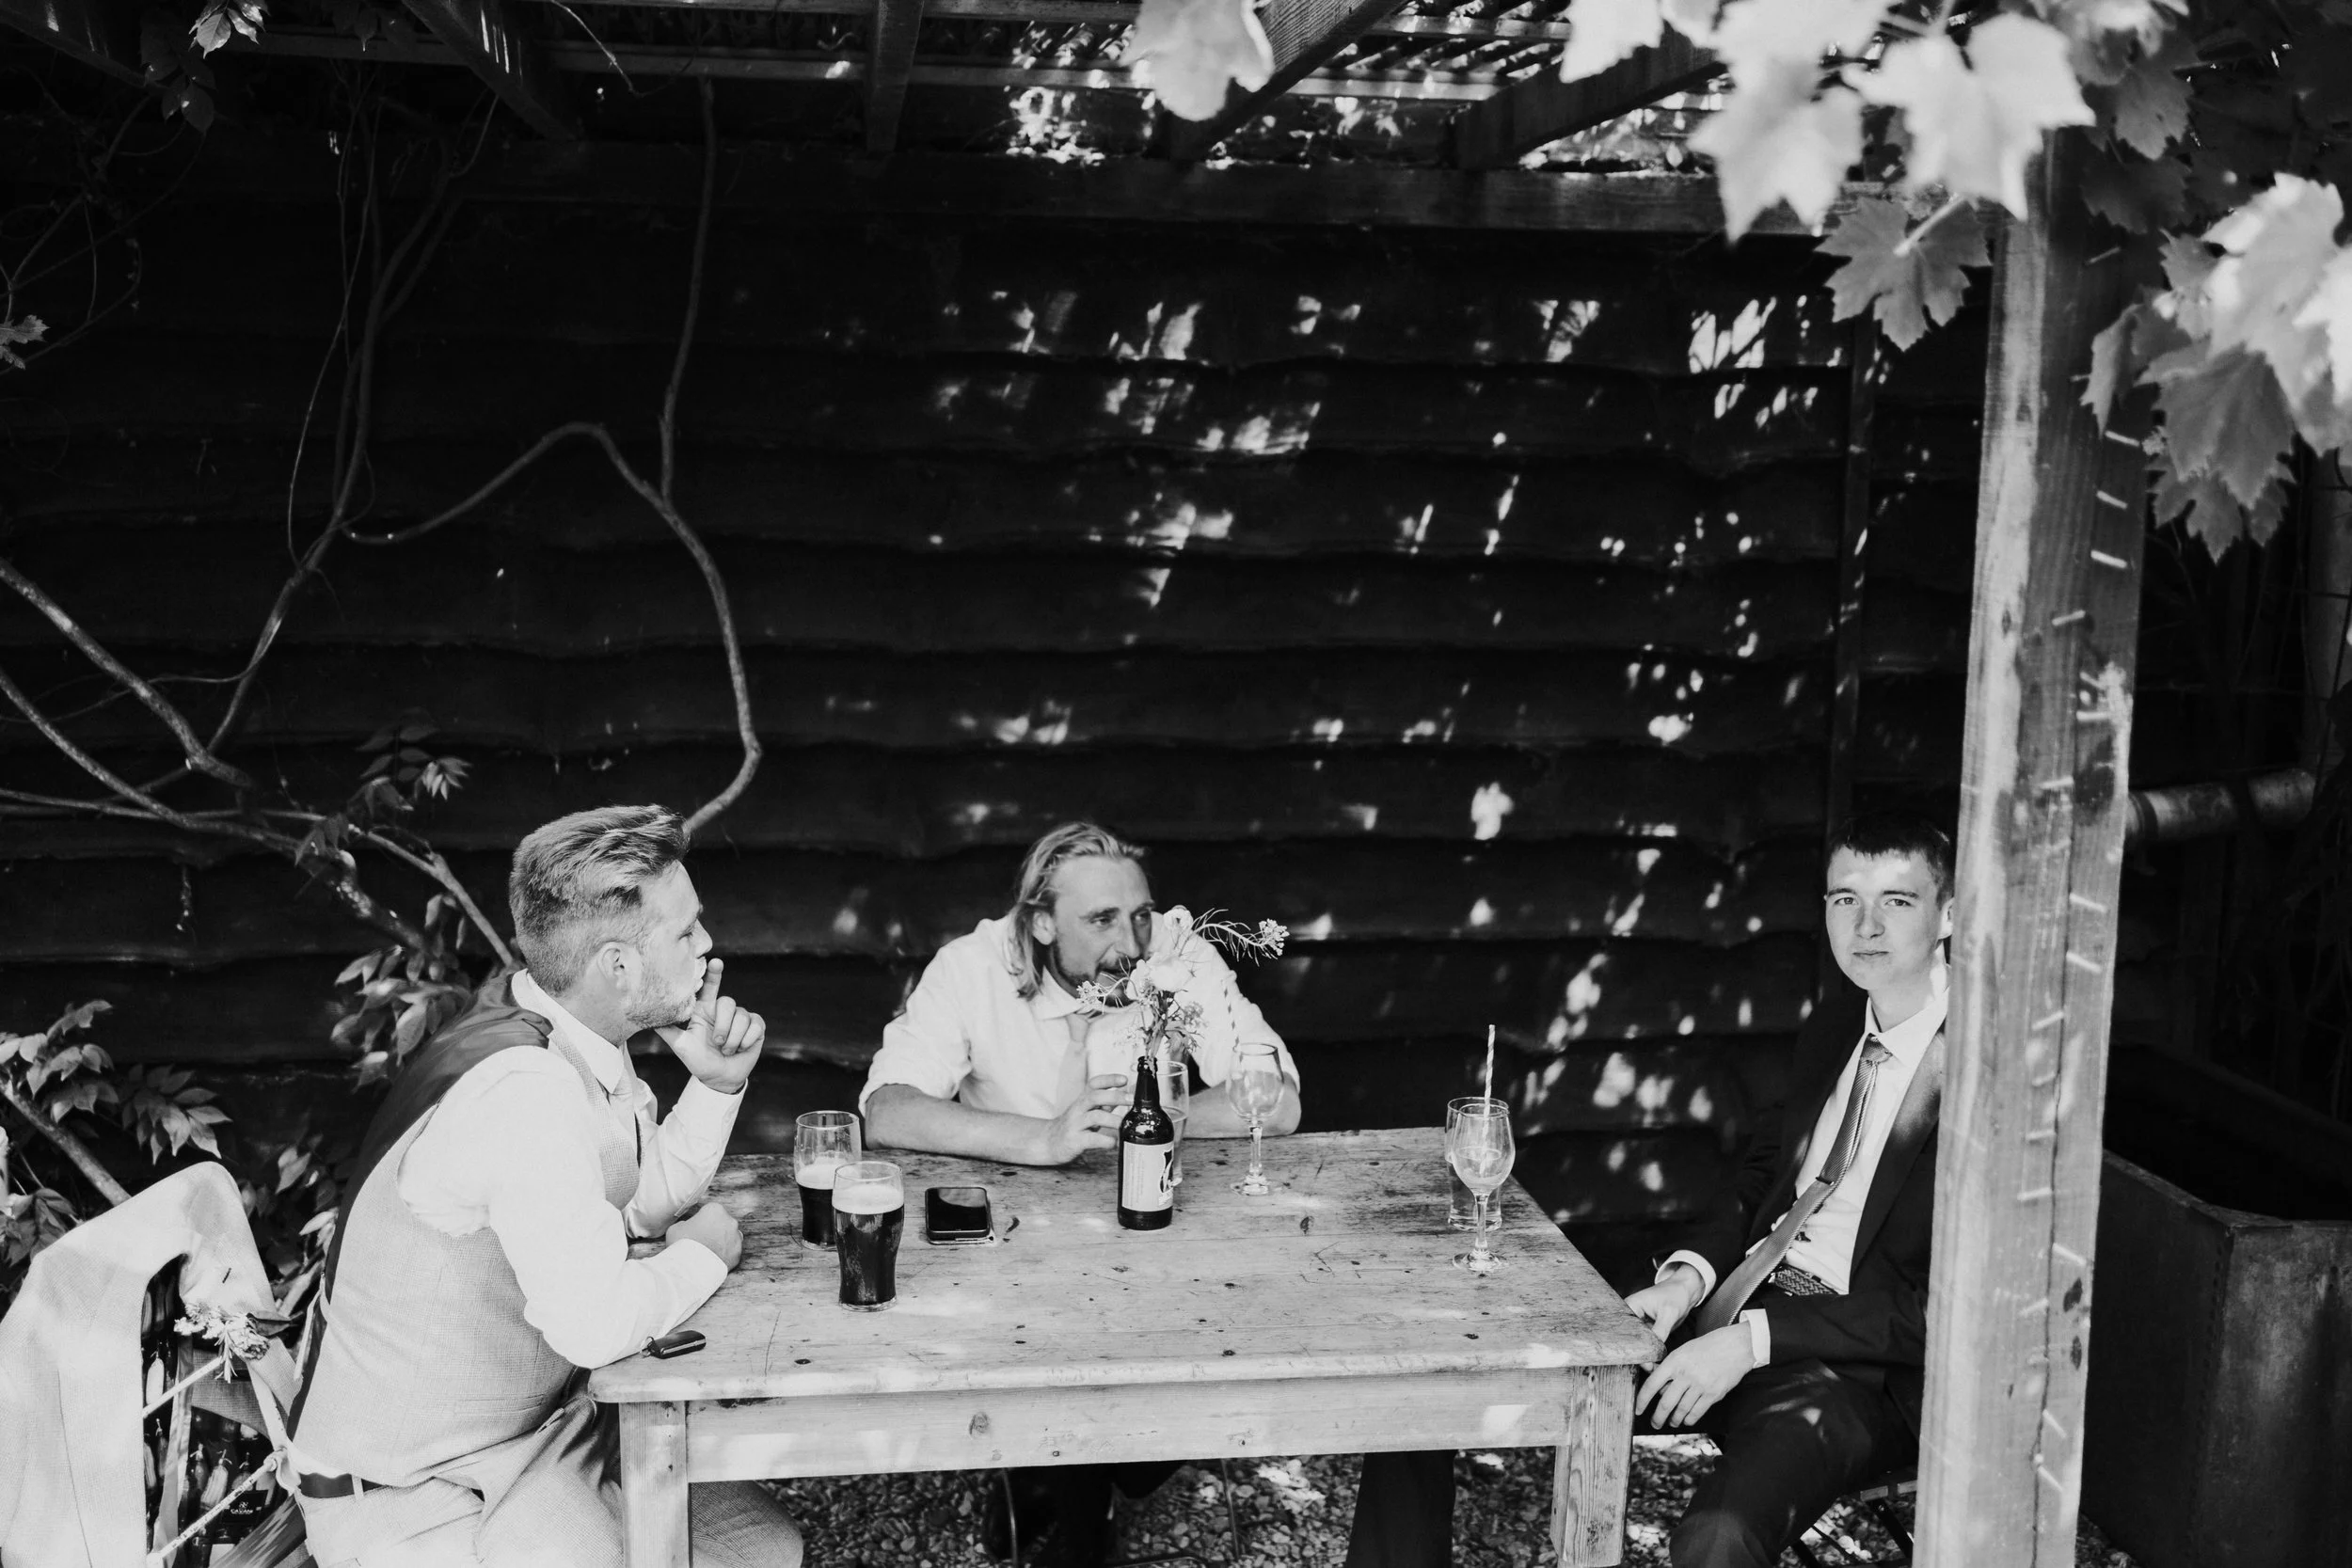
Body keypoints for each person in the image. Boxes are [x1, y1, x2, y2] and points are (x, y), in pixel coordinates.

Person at [1344, 811, 1953, 1568]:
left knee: (1717, 1537)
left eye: (1896, 900)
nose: (1864, 923)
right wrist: (1684, 1280)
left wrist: (1752, 1343)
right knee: (1437, 1382)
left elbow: (1942, 1309)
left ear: (1947, 914)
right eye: (1843, 898)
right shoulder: (1836, 1026)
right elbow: (1765, 1180)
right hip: (1732, 1305)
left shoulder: (1977, 1075)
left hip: (1851, 1375)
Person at [287, 805, 803, 1568]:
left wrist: (718, 1086)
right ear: (618, 966)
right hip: (409, 1499)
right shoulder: (524, 1091)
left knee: (761, 1547)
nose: (707, 945)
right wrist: (700, 1257)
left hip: (529, 1446)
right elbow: (594, 1325)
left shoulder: (563, 1024)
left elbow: (628, 1206)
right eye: (686, 930)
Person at [860, 820, 1302, 1565]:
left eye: (1139, 913)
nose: (1129, 940)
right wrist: (1041, 1138)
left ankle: (1082, 1474)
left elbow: (1278, 1101)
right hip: (1017, 1263)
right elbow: (885, 1110)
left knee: (1174, 1371)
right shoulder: (970, 968)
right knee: (1075, 1384)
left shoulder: (1175, 955)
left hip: (1156, 1242)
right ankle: (1070, 1508)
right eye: (1100, 919)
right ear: (1039, 922)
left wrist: (1153, 1120)